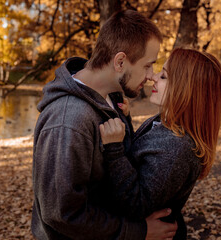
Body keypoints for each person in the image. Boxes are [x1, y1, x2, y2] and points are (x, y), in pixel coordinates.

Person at [31, 10, 178, 240]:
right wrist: (139, 232)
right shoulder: (67, 121)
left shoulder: (113, 96)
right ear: (120, 62)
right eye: (148, 65)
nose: (151, 76)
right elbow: (62, 214)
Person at [100, 48, 221, 239]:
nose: (153, 77)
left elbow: (136, 204)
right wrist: (125, 121)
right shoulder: (166, 123)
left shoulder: (176, 148)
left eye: (164, 76)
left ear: (186, 89)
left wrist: (113, 149)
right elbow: (140, 155)